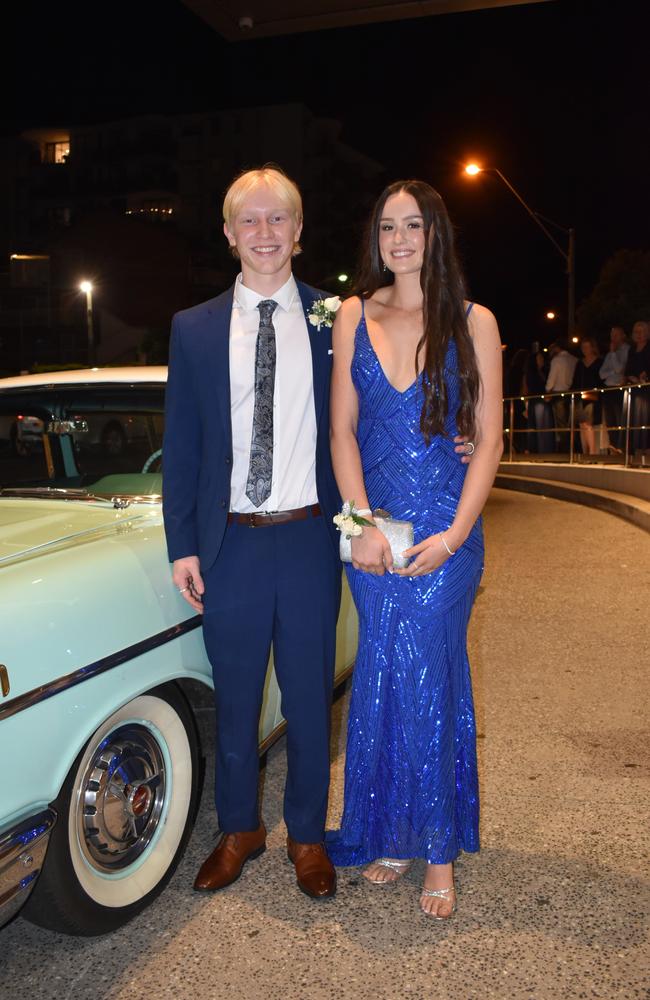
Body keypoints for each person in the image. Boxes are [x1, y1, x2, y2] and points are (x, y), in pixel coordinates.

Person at [162, 166, 343, 900]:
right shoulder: (194, 328)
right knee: (234, 702)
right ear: (230, 233)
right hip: (231, 545)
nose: (265, 234)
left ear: (298, 231)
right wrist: (183, 543)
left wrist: (451, 442)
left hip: (305, 542)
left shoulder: (338, 317)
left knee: (307, 701)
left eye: (279, 219)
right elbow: (184, 445)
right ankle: (239, 828)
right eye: (250, 220)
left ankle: (306, 835)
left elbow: (371, 417)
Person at [326, 180, 503, 919]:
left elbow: (490, 437)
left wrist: (457, 534)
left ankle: (437, 849)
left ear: (435, 235)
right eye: (388, 226)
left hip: (445, 532)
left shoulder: (474, 320)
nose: (400, 239)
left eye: (414, 226)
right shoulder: (352, 315)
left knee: (427, 674)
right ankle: (392, 827)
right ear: (377, 237)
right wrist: (360, 523)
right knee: (384, 675)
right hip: (373, 535)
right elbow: (341, 430)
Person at [572, 336, 605, 456]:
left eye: (587, 347)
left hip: (593, 395)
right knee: (581, 423)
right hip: (580, 396)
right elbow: (575, 380)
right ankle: (585, 451)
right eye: (583, 347)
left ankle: (592, 452)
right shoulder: (580, 363)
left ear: (592, 348)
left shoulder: (599, 362)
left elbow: (601, 379)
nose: (584, 349)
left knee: (588, 423)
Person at [599, 326, 629, 451]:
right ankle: (613, 445)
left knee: (619, 418)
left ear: (623, 336)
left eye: (616, 335)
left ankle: (621, 446)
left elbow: (619, 369)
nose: (613, 338)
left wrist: (612, 353)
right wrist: (612, 371)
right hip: (608, 388)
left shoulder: (626, 350)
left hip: (619, 388)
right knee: (610, 419)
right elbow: (601, 373)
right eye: (612, 335)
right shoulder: (610, 354)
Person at [546, 339, 578, 451]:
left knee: (561, 424)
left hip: (558, 393)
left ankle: (564, 449)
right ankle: (572, 447)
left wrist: (547, 390)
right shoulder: (574, 359)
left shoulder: (557, 360)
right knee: (570, 422)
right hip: (571, 393)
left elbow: (552, 378)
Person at [624, 320, 650, 454]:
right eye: (636, 332)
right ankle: (637, 449)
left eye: (642, 332)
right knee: (635, 418)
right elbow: (628, 368)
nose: (639, 335)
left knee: (646, 417)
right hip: (634, 389)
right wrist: (631, 377)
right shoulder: (632, 349)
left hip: (647, 390)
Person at [524, 348, 554, 453]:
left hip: (542, 401)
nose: (541, 360)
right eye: (539, 358)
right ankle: (537, 448)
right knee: (538, 425)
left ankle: (544, 448)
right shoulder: (532, 373)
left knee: (543, 425)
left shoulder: (544, 371)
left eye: (542, 358)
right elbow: (532, 387)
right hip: (537, 401)